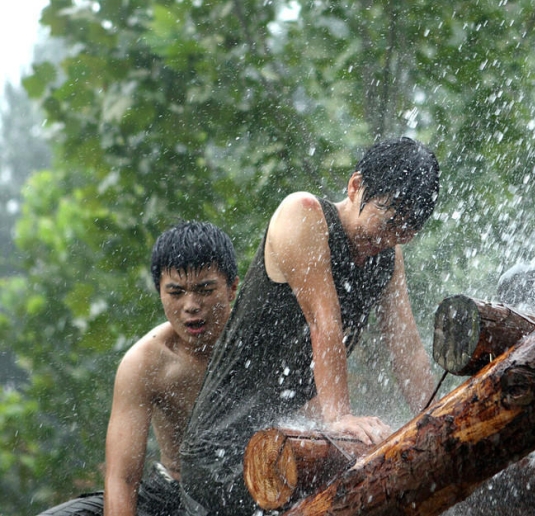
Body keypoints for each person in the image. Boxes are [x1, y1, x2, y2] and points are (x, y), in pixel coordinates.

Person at [179, 137, 439, 515]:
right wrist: (339, 419)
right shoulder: (302, 214)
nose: (387, 240)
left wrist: (434, 419)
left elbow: (408, 349)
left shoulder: (388, 256)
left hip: (288, 447)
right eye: (388, 222)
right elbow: (323, 320)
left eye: (405, 232)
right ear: (355, 186)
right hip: (221, 454)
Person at [38, 221, 239, 516]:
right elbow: (122, 478)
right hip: (175, 496)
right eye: (176, 292)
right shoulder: (145, 363)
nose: (191, 305)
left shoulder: (257, 341)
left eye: (205, 289)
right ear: (159, 291)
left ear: (232, 287)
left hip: (251, 492)